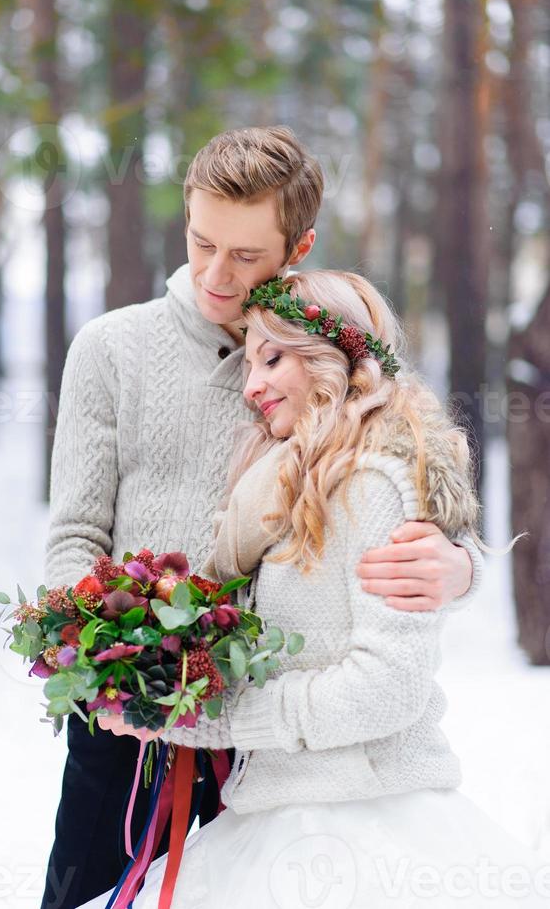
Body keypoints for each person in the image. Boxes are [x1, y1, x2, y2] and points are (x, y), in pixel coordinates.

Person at [41, 127, 480, 909]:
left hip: (269, 734)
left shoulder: (328, 343)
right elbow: (74, 535)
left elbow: (410, 463)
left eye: (245, 257)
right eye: (202, 242)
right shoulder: (111, 349)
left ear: (297, 246)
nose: (216, 274)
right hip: (133, 728)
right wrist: (121, 667)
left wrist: (459, 563)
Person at [94, 269, 546, 909]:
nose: (251, 387)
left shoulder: (374, 486)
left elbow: (385, 688)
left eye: (272, 358)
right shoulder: (280, 494)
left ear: (333, 359)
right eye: (250, 362)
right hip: (272, 811)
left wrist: (212, 722)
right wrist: (157, 695)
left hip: (360, 827)